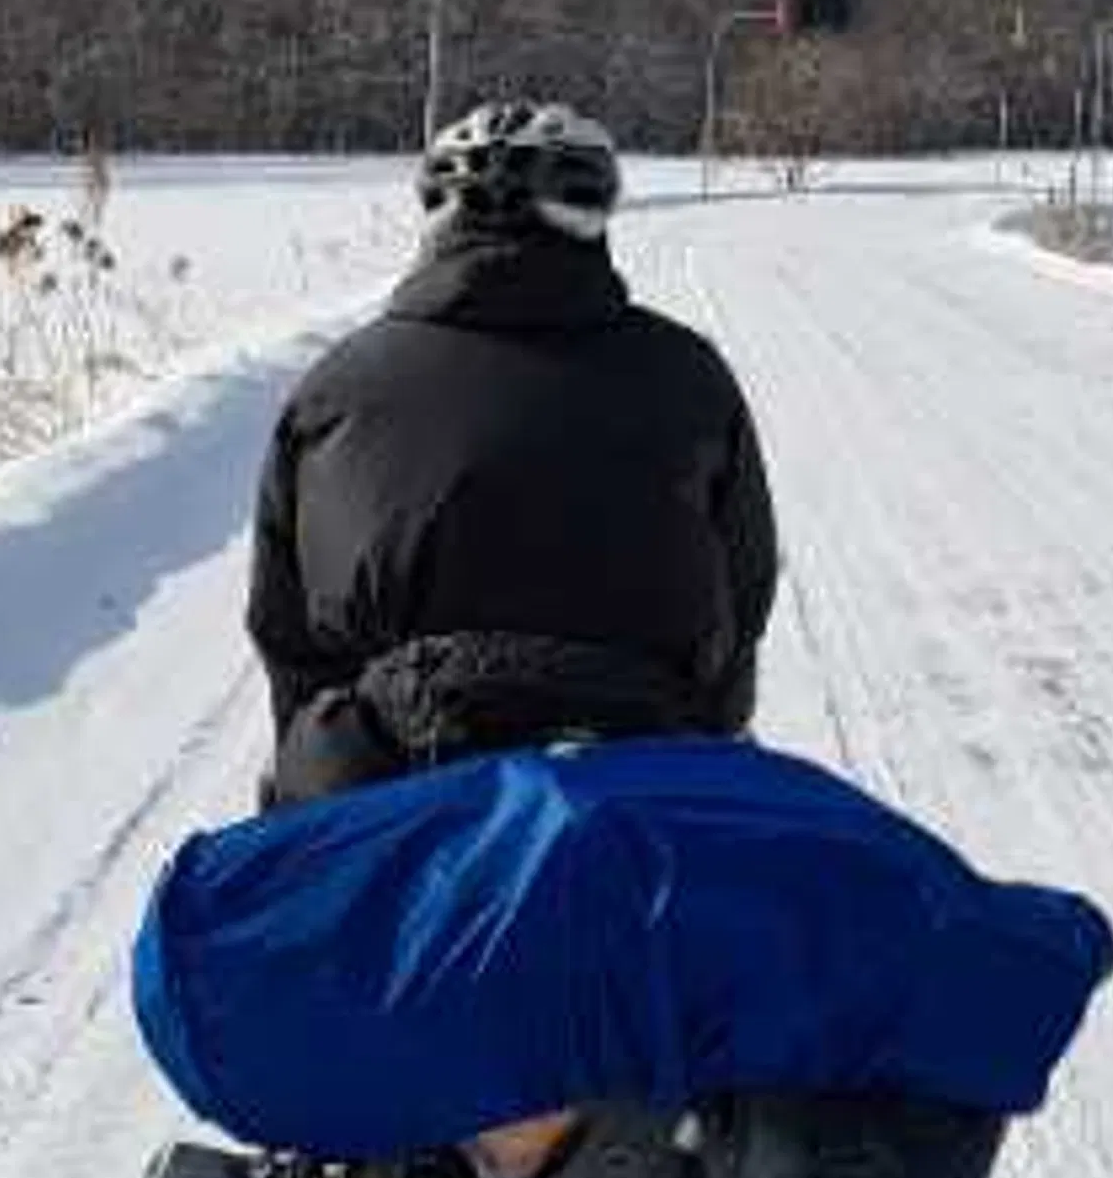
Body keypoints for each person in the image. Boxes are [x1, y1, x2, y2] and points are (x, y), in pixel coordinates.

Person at [245, 98, 777, 806]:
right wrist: (718, 729)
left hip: (389, 791)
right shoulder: (687, 376)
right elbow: (740, 602)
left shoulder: (335, 388)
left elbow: (290, 642)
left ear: (439, 219)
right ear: (591, 216)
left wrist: (308, 770)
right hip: (643, 782)